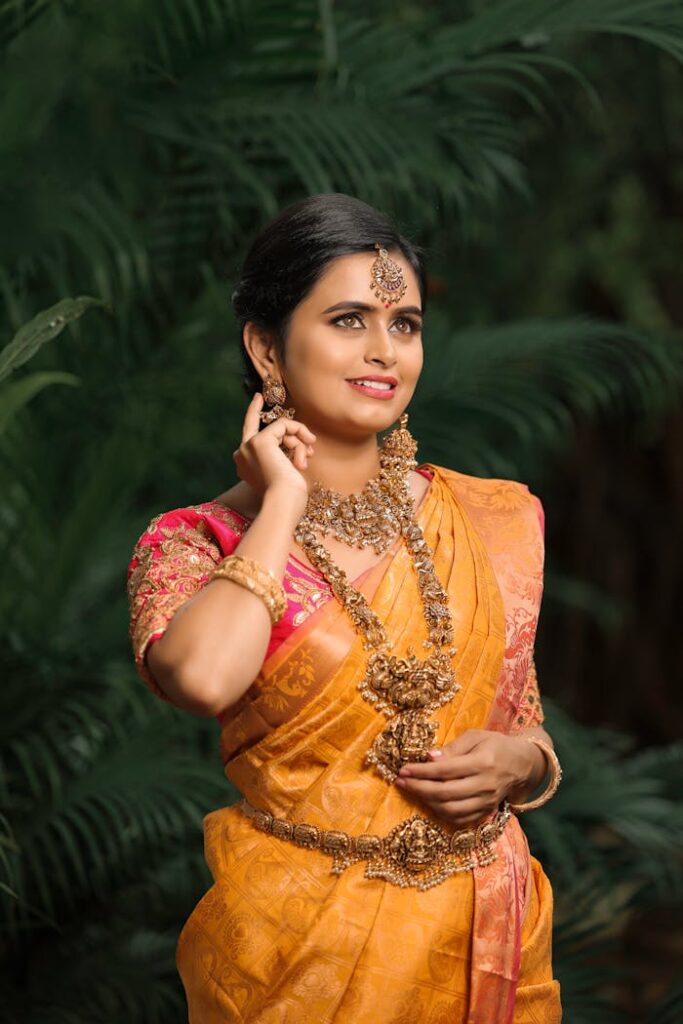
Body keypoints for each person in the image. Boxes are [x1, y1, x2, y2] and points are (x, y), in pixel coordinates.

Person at [127, 193, 563, 1022]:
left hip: (480, 942)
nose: (383, 352)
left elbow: (525, 722)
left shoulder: (492, 519)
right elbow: (207, 679)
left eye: (405, 324)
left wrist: (522, 767)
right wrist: (281, 504)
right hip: (295, 959)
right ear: (266, 347)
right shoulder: (196, 542)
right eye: (348, 320)